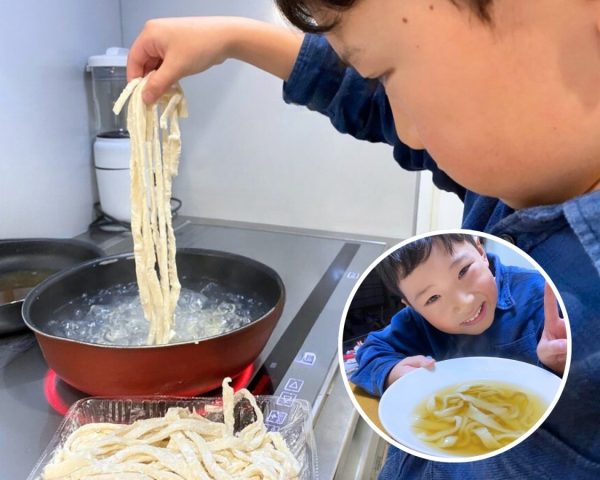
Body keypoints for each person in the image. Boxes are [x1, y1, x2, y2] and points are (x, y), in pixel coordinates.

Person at [126, 1, 600, 478]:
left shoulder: (551, 296)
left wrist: (545, 366)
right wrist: (233, 38)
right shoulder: (514, 171)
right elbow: (365, 100)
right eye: (431, 298)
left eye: (387, 73)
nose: (408, 134)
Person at [350, 233, 566, 399]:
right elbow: (371, 350)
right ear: (412, 306)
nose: (464, 304)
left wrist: (560, 365)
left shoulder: (542, 294)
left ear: (480, 252)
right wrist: (391, 373)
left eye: (464, 271)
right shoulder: (416, 320)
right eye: (433, 298)